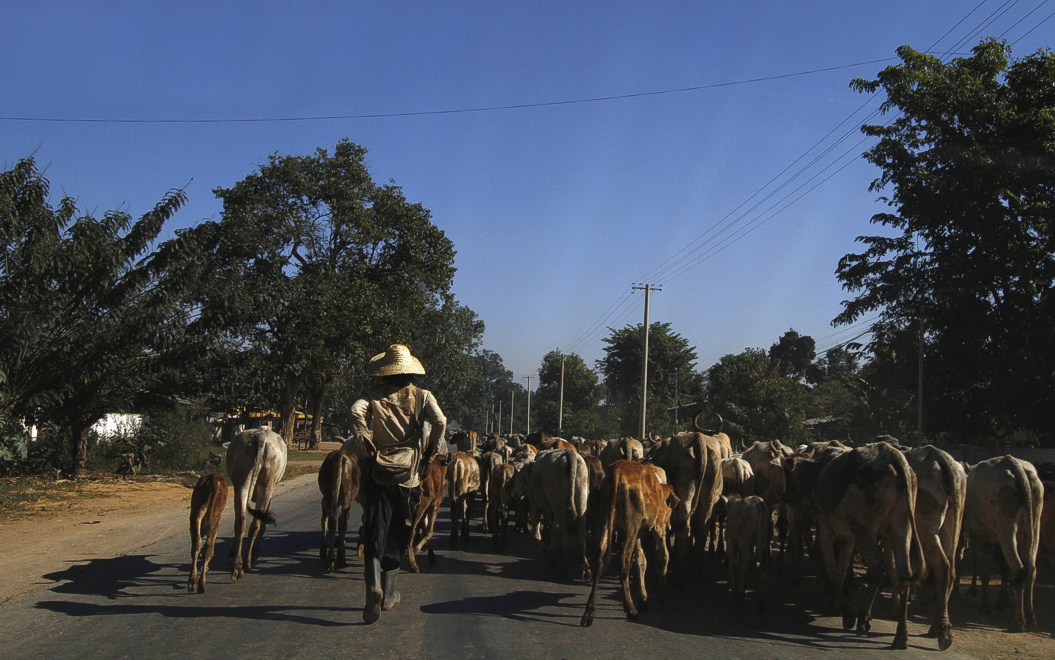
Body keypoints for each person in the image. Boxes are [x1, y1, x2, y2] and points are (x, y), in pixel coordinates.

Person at [349, 344, 446, 624]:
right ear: (410, 372)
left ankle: (373, 583)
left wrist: (365, 440)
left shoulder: (373, 395)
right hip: (409, 474)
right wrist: (430, 453)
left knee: (375, 527)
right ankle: (389, 593)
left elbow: (356, 412)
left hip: (379, 469)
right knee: (399, 532)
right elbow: (440, 420)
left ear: (385, 371)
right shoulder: (422, 395)